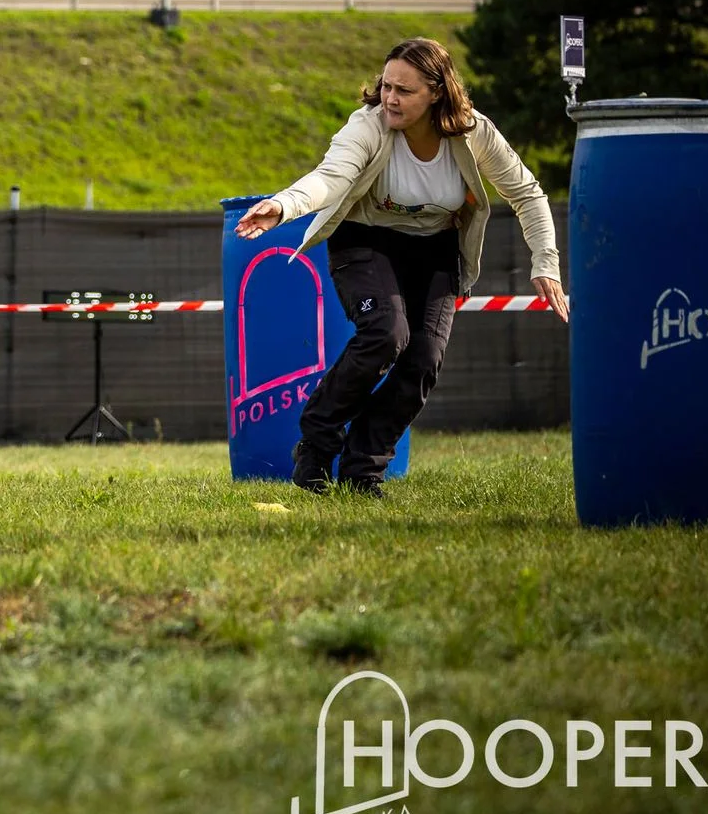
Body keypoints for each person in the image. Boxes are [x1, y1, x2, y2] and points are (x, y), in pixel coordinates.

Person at [232, 37, 569, 497]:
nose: (390, 98)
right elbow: (331, 178)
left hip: (435, 249)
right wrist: (283, 205)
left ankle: (362, 470)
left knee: (424, 358)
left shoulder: (474, 133)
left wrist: (545, 263)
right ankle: (316, 441)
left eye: (404, 91)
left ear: (436, 92)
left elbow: (528, 193)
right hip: (365, 239)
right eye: (386, 86)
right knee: (387, 334)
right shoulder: (367, 126)